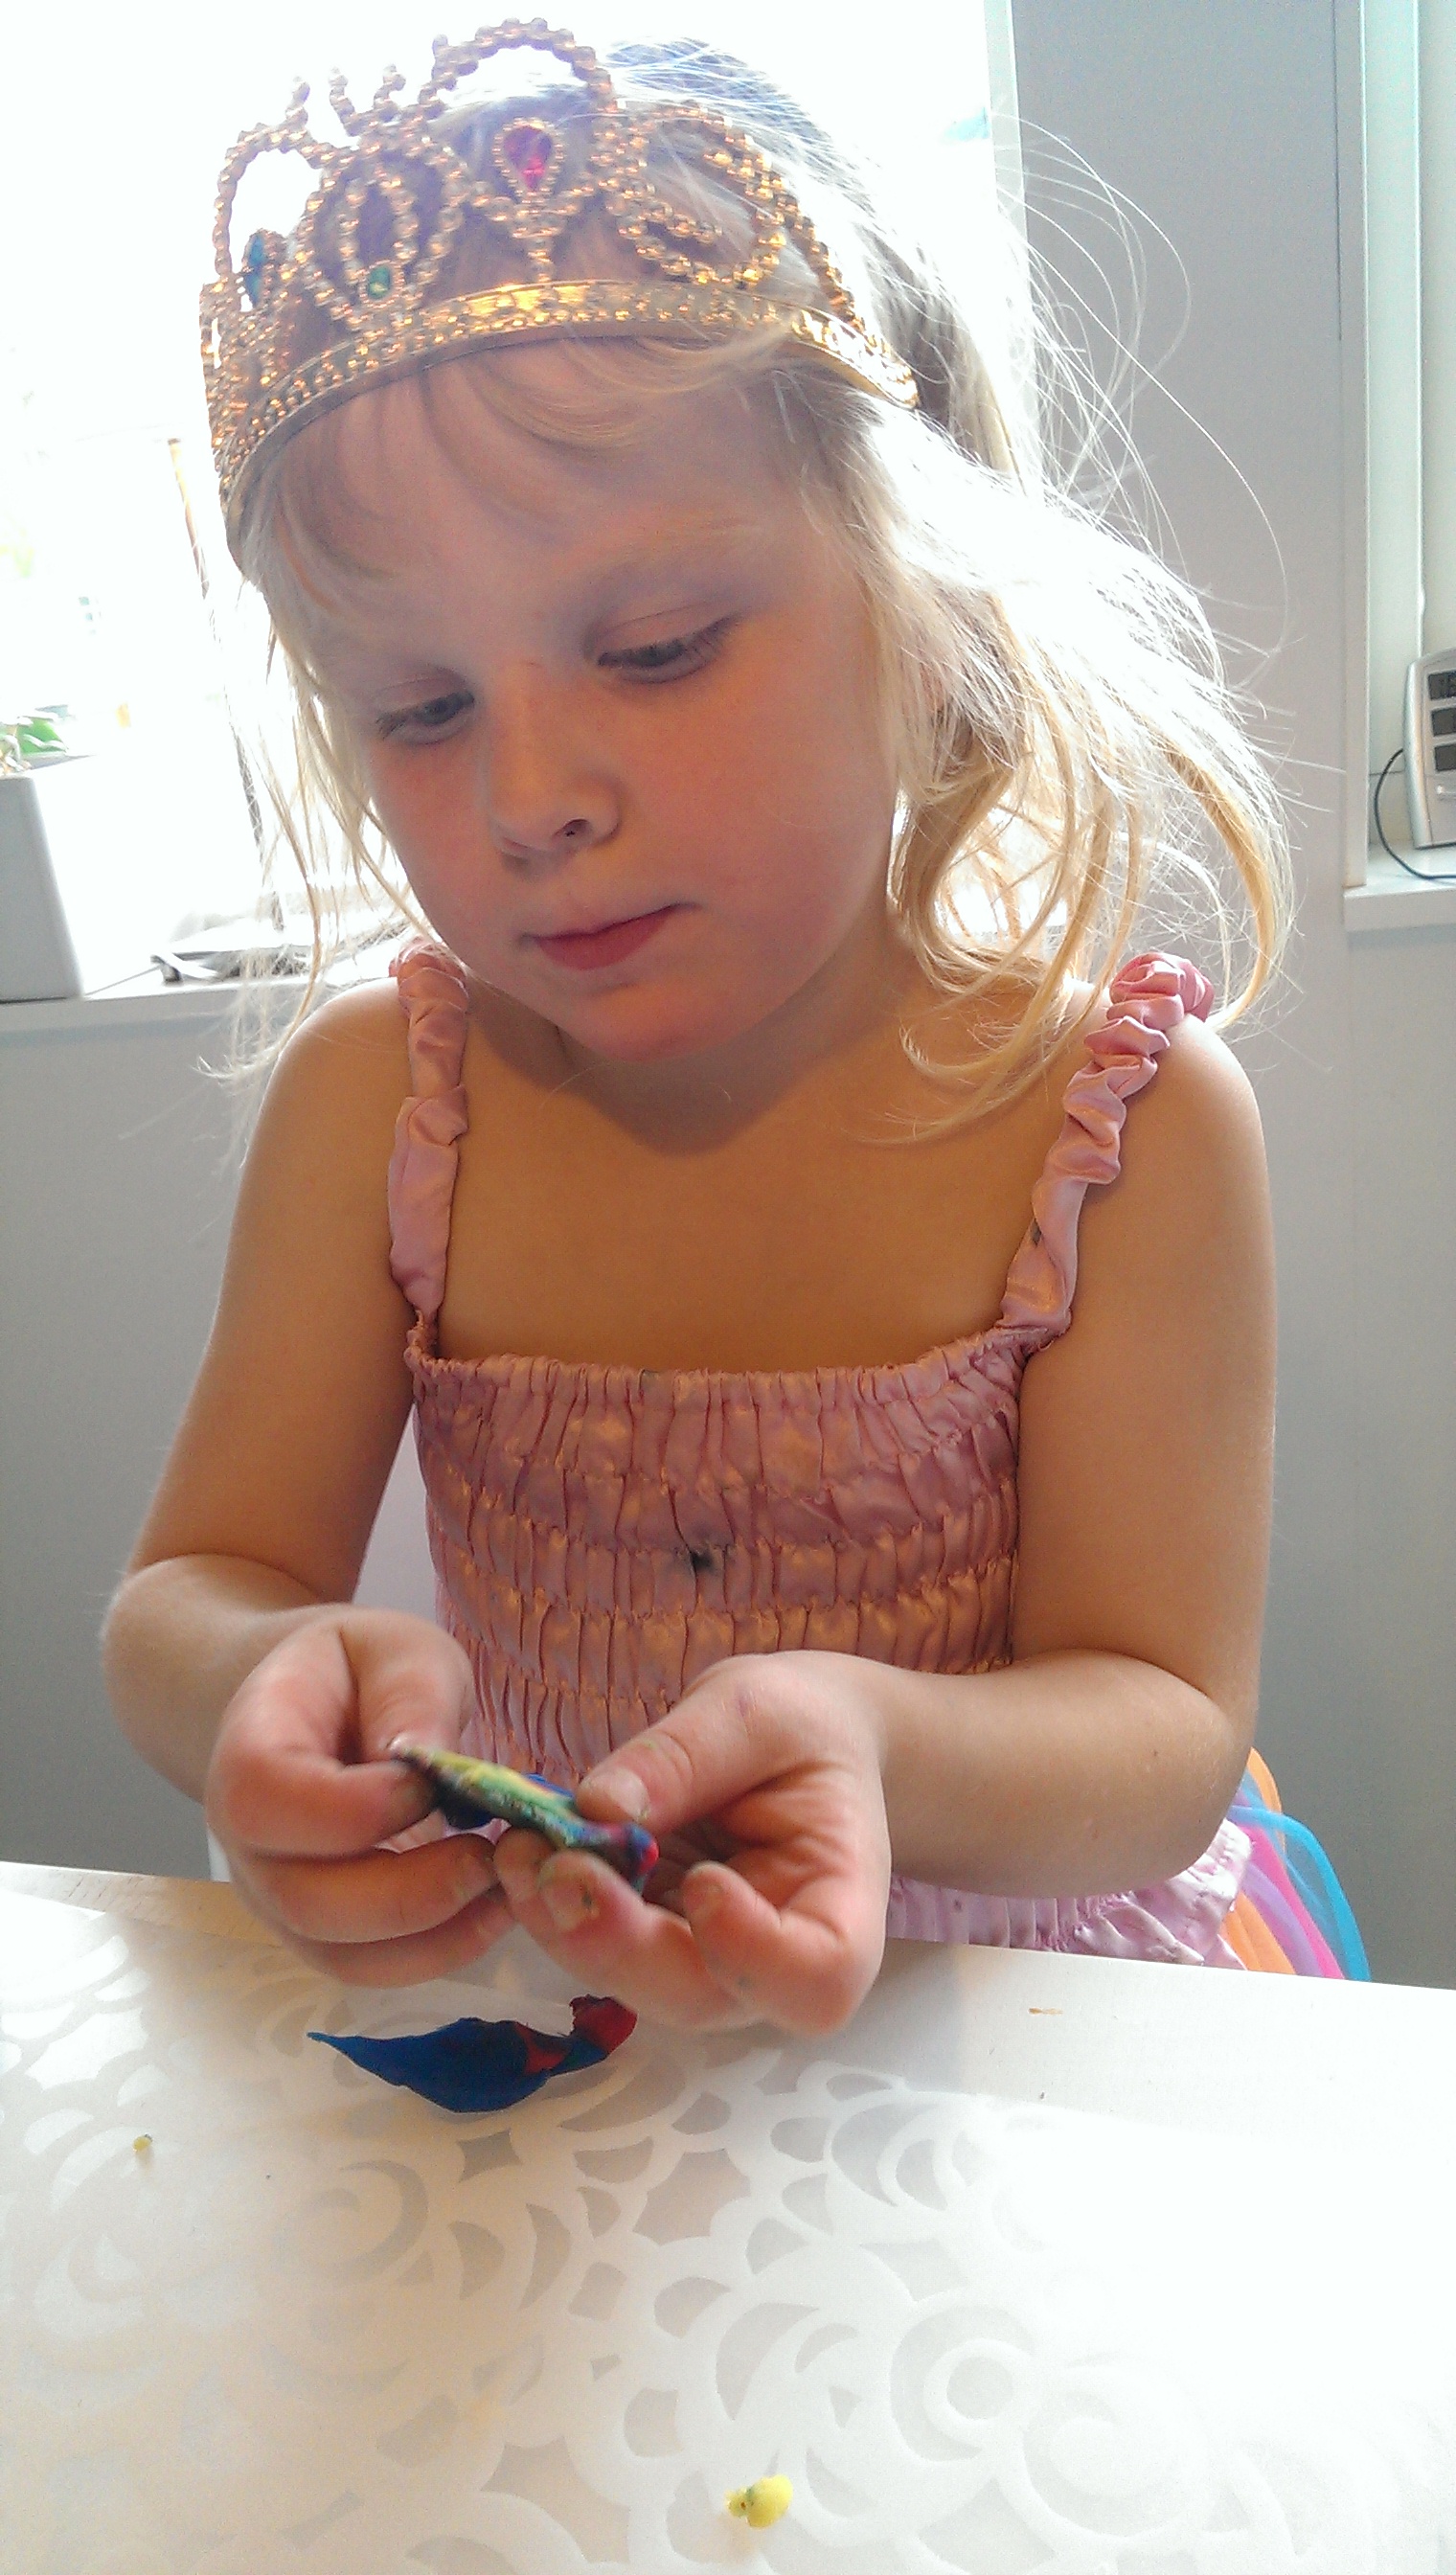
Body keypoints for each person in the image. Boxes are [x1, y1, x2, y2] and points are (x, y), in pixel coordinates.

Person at [102, 24, 1365, 2030]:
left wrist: (880, 1744)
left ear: (928, 606)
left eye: (657, 648)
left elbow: (1160, 1728)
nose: (531, 796)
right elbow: (190, 1592)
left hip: (1006, 2031)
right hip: (594, 2021)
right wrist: (264, 1685)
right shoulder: (383, 1104)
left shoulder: (1118, 1127)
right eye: (419, 709)